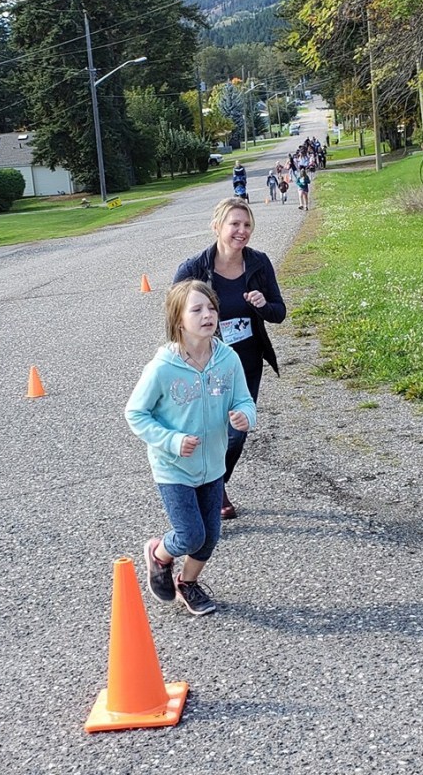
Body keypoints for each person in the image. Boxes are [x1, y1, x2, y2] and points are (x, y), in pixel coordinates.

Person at [125, 279, 256, 616]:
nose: (207, 315)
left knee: (209, 537)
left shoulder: (227, 359)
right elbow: (135, 413)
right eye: (196, 309)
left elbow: (244, 399)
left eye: (211, 308)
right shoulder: (162, 368)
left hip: (212, 465)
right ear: (178, 320)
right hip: (173, 467)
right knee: (190, 535)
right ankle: (159, 555)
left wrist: (245, 415)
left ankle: (187, 583)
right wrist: (171, 440)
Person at [173, 197, 286, 519]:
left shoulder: (259, 263)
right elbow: (175, 317)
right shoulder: (193, 269)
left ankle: (213, 484)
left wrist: (263, 305)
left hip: (246, 363)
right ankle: (211, 491)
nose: (242, 230)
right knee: (211, 430)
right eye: (234, 224)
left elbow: (279, 313)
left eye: (247, 224)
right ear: (217, 227)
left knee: (237, 432)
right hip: (206, 365)